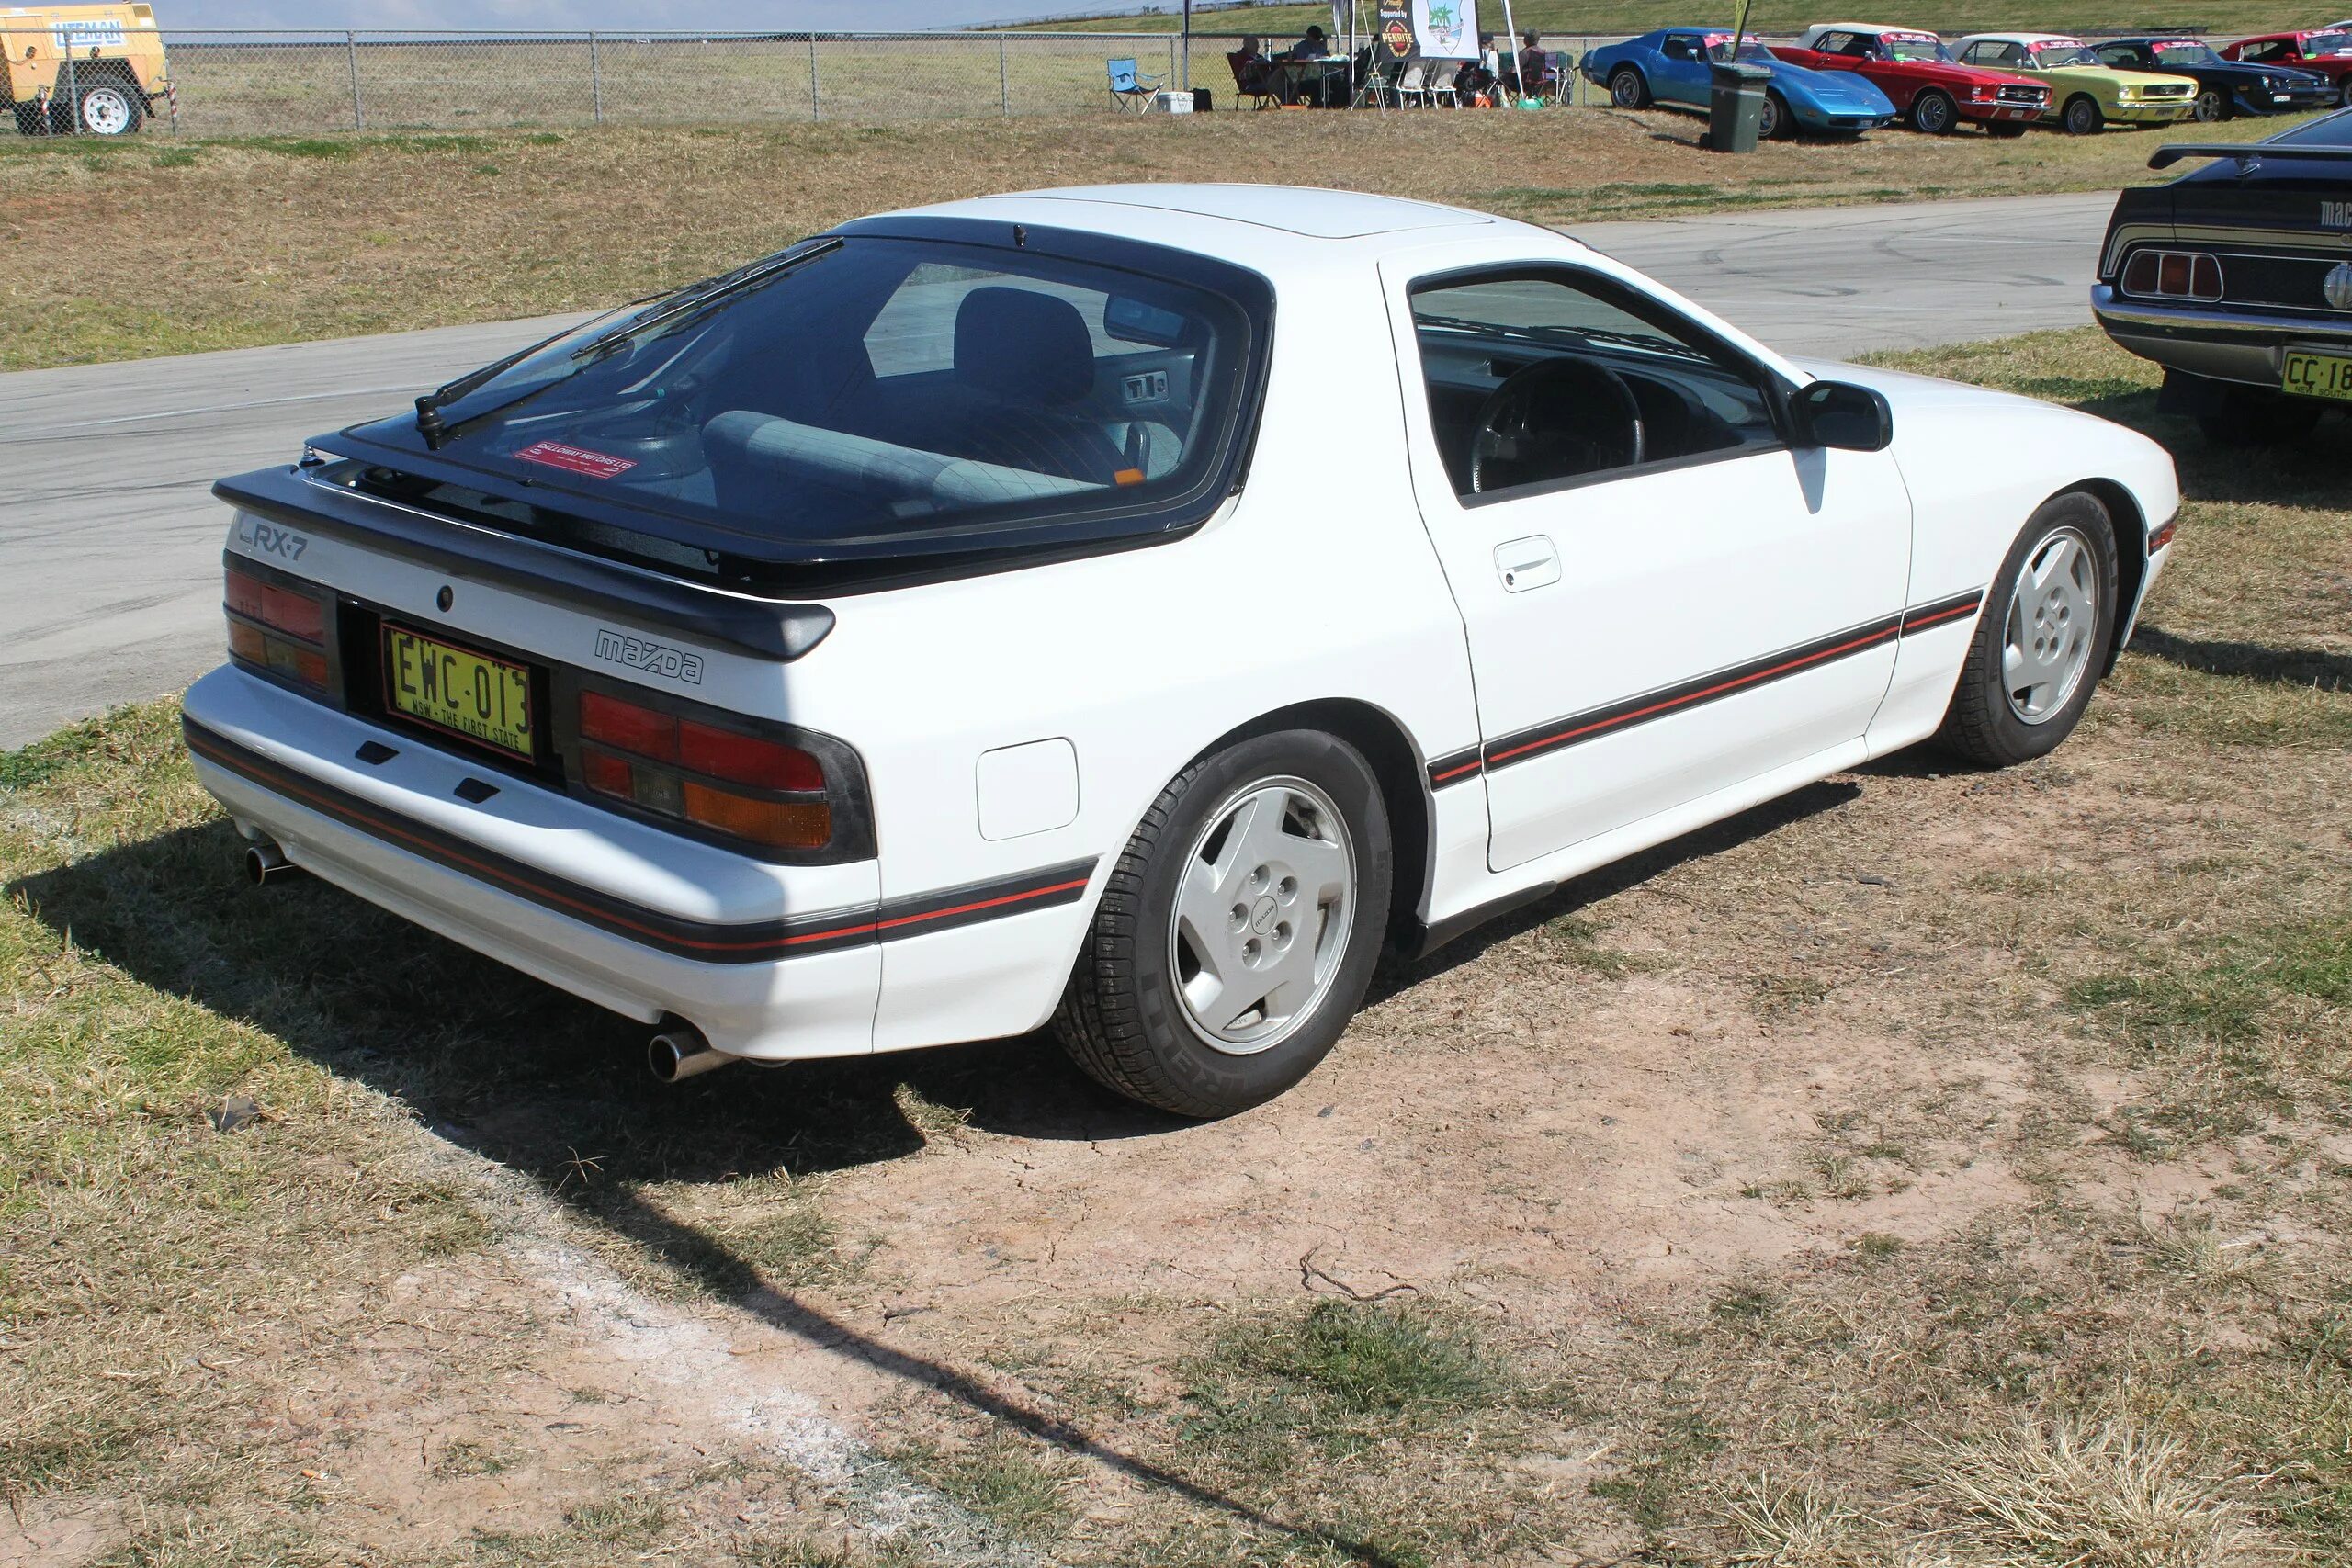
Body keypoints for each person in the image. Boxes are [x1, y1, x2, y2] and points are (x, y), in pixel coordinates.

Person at [1515, 30, 1548, 98]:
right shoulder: (1541, 52)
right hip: (1539, 82)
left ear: (1527, 39)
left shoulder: (1525, 53)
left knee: (1504, 79)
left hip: (1524, 83)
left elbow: (1516, 69)